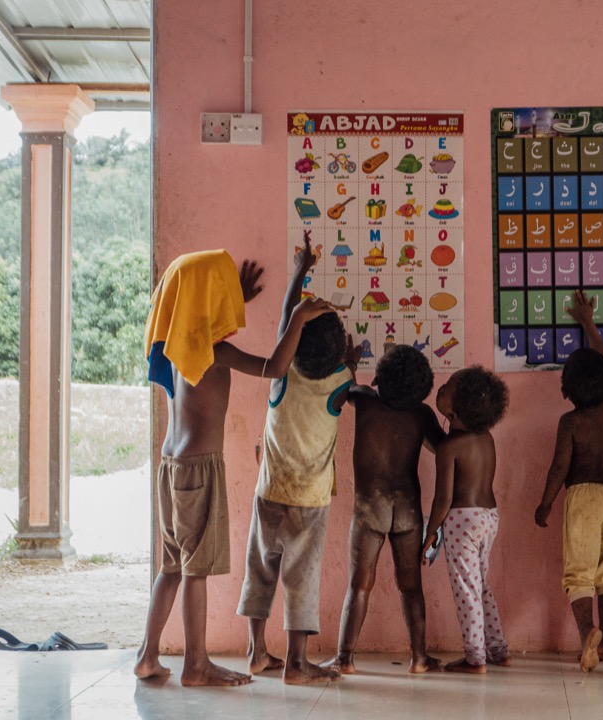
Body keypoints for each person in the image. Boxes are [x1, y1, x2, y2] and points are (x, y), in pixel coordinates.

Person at [134, 249, 331, 686]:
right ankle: (196, 664)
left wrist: (236, 296)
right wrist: (297, 317)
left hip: (169, 467)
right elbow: (277, 367)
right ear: (211, 301)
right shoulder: (215, 351)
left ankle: (148, 657)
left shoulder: (175, 345)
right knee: (194, 571)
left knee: (170, 568)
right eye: (221, 294)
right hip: (199, 470)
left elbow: (199, 319)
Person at [236, 238, 359, 684]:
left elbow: (288, 319)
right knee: (300, 578)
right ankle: (296, 663)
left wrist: (301, 270)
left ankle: (255, 651)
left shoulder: (280, 370)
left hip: (270, 490)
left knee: (261, 569)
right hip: (310, 499)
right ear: (338, 350)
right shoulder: (342, 381)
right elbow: (350, 380)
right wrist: (352, 361)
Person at [325, 345, 445, 674]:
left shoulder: (364, 399)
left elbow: (345, 386)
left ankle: (345, 658)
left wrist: (349, 361)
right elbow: (442, 449)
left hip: (369, 510)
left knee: (359, 585)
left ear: (378, 377)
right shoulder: (422, 415)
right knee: (411, 587)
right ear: (421, 392)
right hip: (408, 510)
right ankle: (419, 657)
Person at [535, 289, 603, 673]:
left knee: (579, 573)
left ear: (566, 388)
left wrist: (545, 503)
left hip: (584, 497)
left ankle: (587, 631)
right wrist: (588, 322)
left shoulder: (570, 422)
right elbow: (602, 355)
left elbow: (559, 467)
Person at [423, 366, 511, 674]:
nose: (441, 387)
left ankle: (476, 657)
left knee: (466, 588)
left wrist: (431, 532)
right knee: (481, 585)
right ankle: (499, 649)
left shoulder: (449, 448)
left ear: (456, 410)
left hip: (462, 520)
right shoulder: (486, 438)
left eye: (446, 387)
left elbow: (443, 500)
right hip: (489, 518)